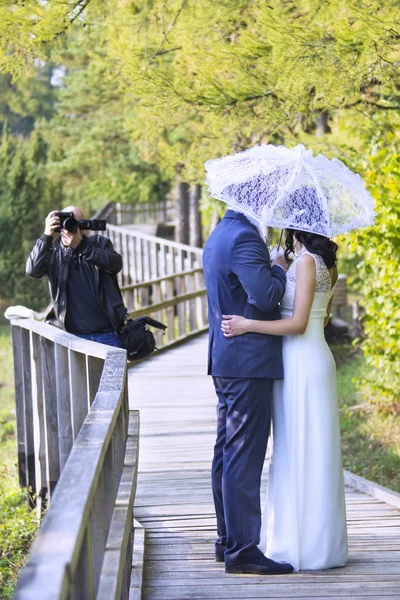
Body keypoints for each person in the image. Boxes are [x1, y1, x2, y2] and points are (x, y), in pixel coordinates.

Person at [221, 228, 348, 571]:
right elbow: (318, 320)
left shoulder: (308, 262)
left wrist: (248, 324)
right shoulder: (320, 262)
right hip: (306, 359)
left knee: (302, 449)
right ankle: (310, 539)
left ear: (296, 226)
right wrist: (280, 266)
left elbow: (298, 323)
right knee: (301, 449)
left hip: (302, 363)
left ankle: (304, 544)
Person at [202, 208, 294, 575]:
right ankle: (243, 549)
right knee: (243, 456)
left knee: (226, 451)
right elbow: (267, 296)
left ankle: (228, 538)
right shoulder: (244, 238)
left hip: (226, 361)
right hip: (247, 364)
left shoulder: (219, 232)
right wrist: (278, 267)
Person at [26, 206, 127, 347]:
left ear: (84, 225)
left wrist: (82, 246)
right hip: (70, 337)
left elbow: (115, 264)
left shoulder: (99, 244)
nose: (71, 226)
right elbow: (32, 270)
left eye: (75, 222)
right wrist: (46, 235)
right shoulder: (53, 252)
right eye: (66, 221)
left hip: (106, 334)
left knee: (112, 370)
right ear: (58, 225)